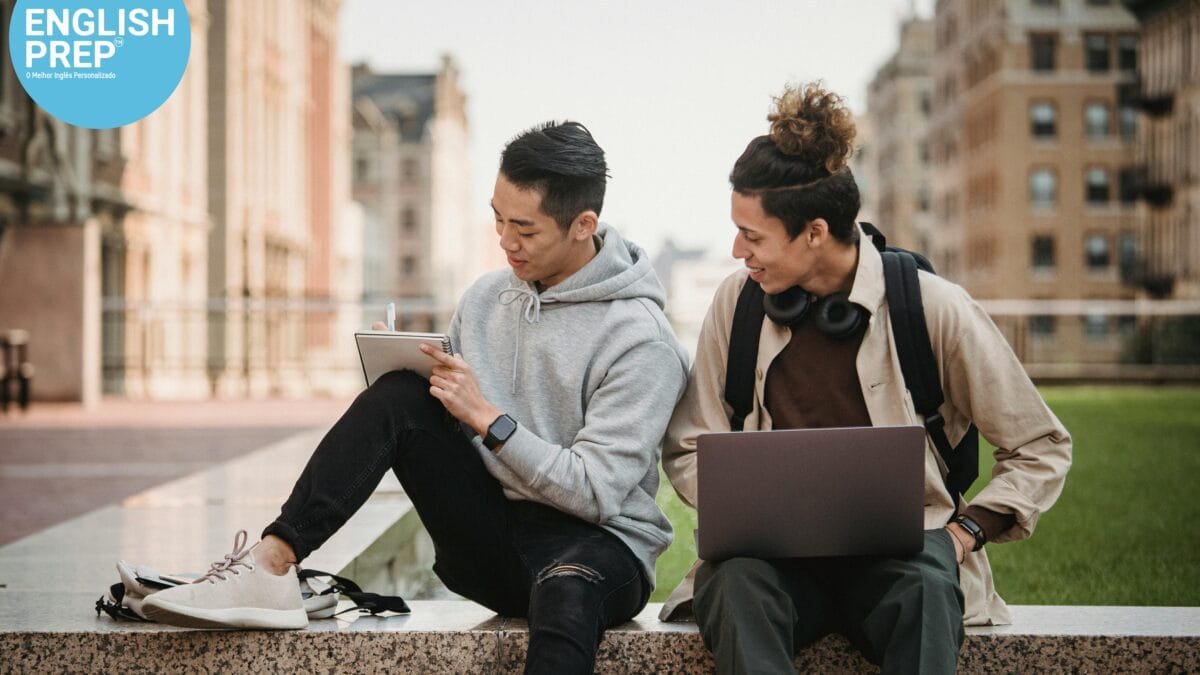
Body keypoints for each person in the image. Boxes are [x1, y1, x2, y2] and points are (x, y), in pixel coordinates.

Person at [143, 121, 690, 674]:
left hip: (600, 555)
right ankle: (270, 565)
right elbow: (444, 423)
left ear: (583, 225)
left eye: (524, 229)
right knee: (401, 395)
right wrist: (413, 371)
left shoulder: (641, 339)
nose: (505, 240)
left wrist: (487, 419)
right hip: (495, 540)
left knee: (566, 593)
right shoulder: (485, 298)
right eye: (497, 218)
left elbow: (595, 493)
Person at [658, 83, 1072, 674]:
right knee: (734, 585)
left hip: (906, 559)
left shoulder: (932, 306)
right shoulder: (737, 304)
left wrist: (962, 535)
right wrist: (747, 511)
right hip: (773, 563)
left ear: (816, 232)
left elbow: (1041, 445)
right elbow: (690, 442)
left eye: (753, 236)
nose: (737, 250)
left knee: (928, 593)